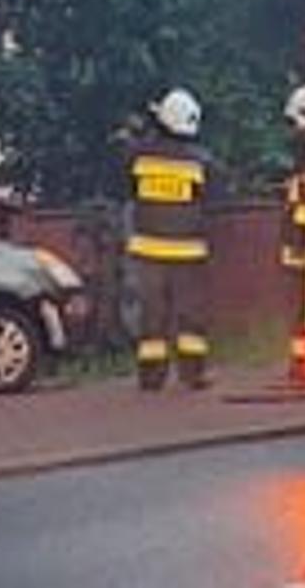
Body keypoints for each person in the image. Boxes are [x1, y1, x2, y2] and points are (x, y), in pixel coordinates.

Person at [125, 87, 219, 391]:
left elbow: (126, 190)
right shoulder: (202, 161)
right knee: (191, 318)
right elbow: (216, 200)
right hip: (189, 254)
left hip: (147, 252)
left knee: (152, 318)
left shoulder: (139, 156)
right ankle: (193, 374)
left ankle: (151, 377)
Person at [282, 84, 305, 382]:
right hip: (299, 244)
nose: (292, 132)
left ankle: (304, 361)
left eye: (295, 123)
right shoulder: (303, 157)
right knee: (298, 306)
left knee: (303, 305)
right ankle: (301, 361)